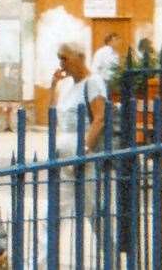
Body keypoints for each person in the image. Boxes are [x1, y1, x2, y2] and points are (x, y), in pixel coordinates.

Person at [30, 41, 108, 269]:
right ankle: (40, 264)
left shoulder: (93, 82)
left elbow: (99, 118)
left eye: (65, 58)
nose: (62, 63)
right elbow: (53, 115)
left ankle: (110, 256)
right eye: (59, 57)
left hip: (82, 157)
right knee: (52, 212)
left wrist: (83, 151)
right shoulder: (67, 85)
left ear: (80, 57)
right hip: (62, 158)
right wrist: (54, 85)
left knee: (94, 212)